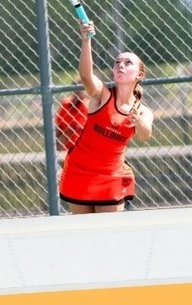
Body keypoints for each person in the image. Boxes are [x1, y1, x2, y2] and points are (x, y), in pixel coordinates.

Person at [58, 19, 154, 214]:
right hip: (79, 172)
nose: (121, 66)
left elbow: (145, 135)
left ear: (139, 75)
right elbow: (86, 76)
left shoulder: (142, 111)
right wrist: (86, 40)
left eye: (128, 63)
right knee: (84, 230)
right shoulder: (101, 95)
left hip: (112, 177)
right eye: (117, 62)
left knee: (109, 231)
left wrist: (139, 122)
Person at [54, 83, 89, 153]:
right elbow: (59, 126)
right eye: (76, 90)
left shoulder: (87, 105)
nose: (78, 93)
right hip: (66, 147)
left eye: (80, 91)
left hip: (83, 148)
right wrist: (57, 144)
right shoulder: (66, 104)